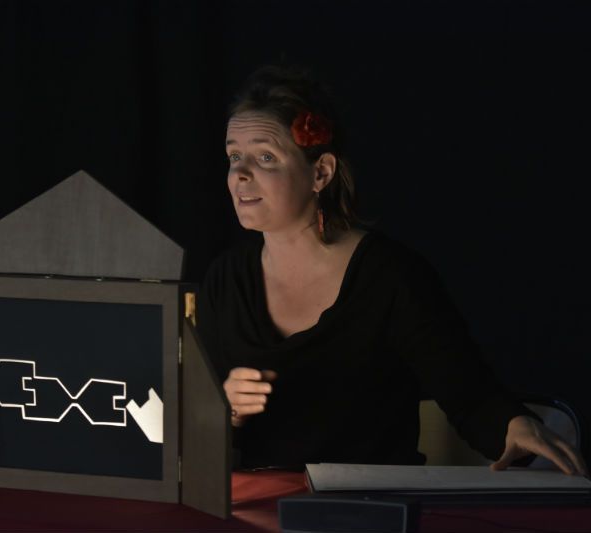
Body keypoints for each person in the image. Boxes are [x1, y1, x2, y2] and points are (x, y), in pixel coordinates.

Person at [195, 65, 587, 475]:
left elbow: (469, 395)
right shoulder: (225, 280)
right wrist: (225, 409)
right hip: (259, 503)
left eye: (265, 157)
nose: (240, 174)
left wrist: (514, 425)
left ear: (321, 172)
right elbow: (192, 438)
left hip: (372, 500)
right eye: (234, 156)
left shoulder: (390, 275)